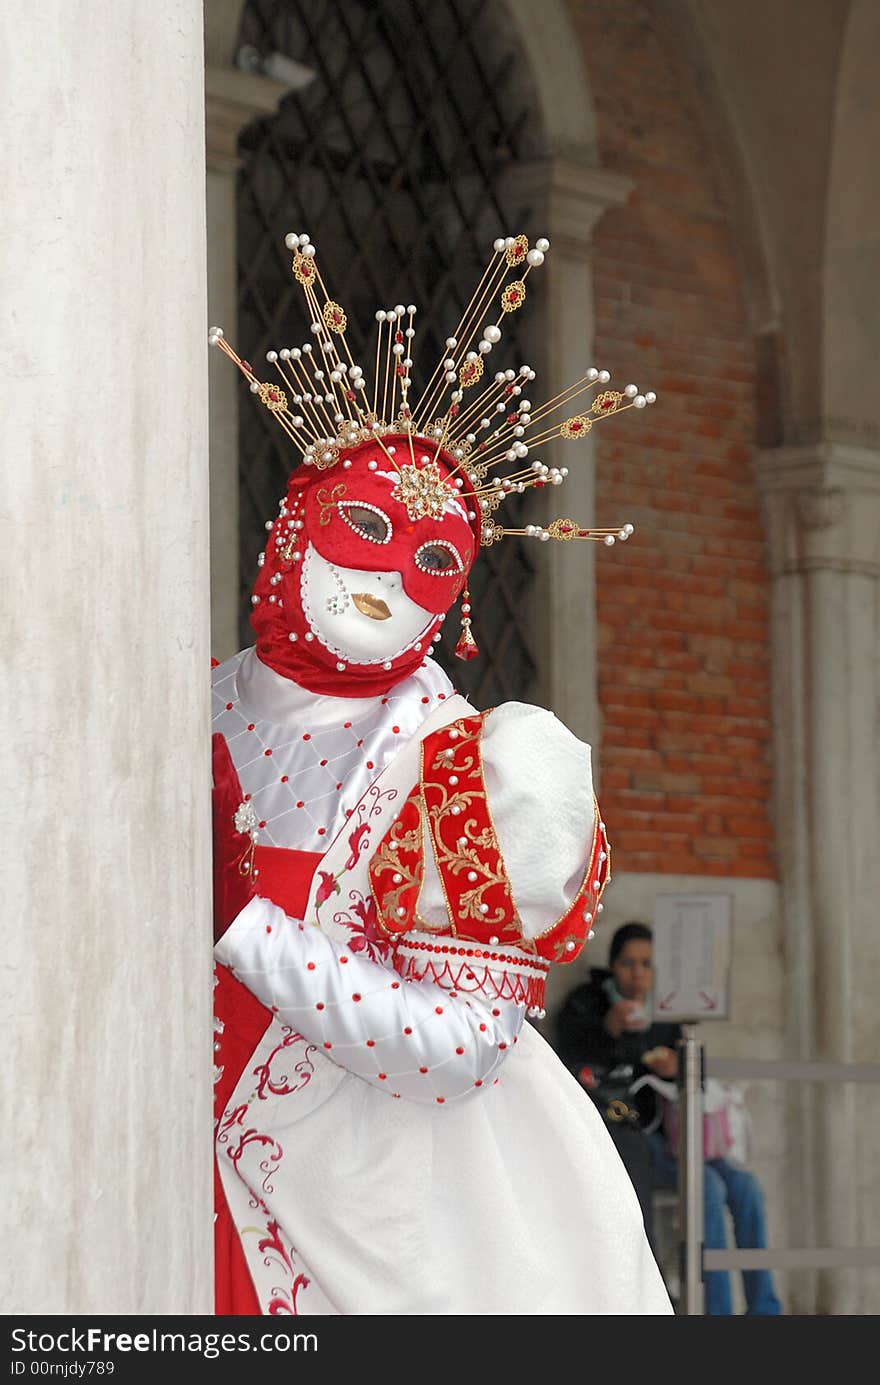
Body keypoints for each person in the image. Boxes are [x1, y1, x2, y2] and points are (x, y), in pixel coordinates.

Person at [208, 229, 672, 1315]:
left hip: (370, 1224)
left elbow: (460, 1047)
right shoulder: (171, 707)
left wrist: (245, 925)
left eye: (431, 557)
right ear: (293, 523)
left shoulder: (463, 767)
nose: (386, 574)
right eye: (363, 526)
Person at [556, 922, 782, 1315]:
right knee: (706, 1186)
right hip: (631, 1139)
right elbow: (571, 1060)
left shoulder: (665, 1011)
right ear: (612, 966)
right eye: (628, 963)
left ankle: (765, 1308)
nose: (638, 973)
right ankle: (718, 1310)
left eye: (646, 964)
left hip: (681, 1136)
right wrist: (609, 1030)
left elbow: (698, 1073)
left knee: (745, 1187)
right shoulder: (587, 1004)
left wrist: (679, 1066)